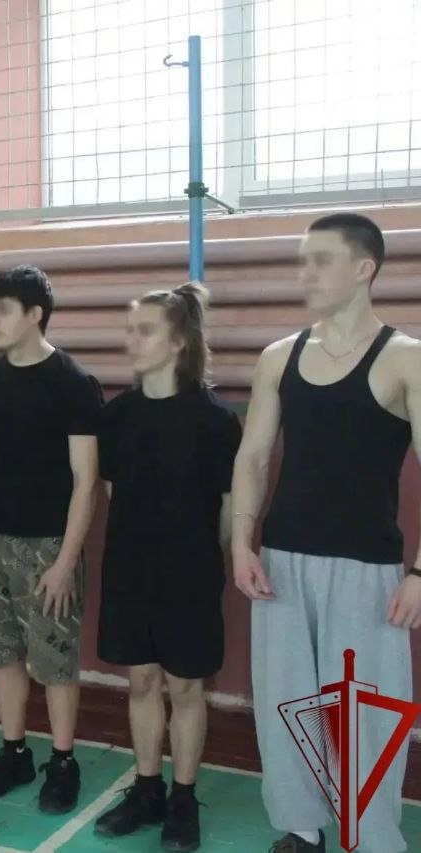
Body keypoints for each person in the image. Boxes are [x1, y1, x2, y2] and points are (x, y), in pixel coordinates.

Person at [232, 213, 421, 853]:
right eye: (302, 260)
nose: (305, 273)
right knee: (286, 704)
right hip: (282, 561)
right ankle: (302, 827)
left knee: (362, 713)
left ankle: (370, 839)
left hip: (367, 569)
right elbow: (253, 458)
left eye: (321, 260)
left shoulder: (406, 358)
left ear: (364, 269)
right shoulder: (278, 357)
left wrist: (420, 574)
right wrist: (241, 543)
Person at [92, 283, 241, 852]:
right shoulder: (117, 417)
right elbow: (114, 491)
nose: (132, 340)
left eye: (145, 330)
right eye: (130, 329)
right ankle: (147, 787)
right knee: (142, 680)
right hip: (132, 570)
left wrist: (194, 558)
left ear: (179, 342)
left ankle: (183, 798)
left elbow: (227, 510)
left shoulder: (215, 421)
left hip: (190, 574)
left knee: (185, 686)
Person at [0, 264, 103, 815]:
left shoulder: (73, 383)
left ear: (35, 314)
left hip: (47, 546)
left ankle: (62, 761)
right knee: (3, 654)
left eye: (3, 310)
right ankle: (13, 751)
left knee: (55, 660)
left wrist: (65, 560)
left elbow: (86, 480)